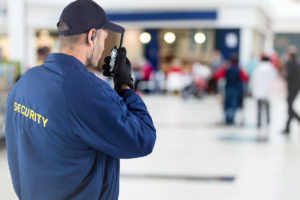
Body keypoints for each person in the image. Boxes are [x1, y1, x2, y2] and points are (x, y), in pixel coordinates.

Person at [5, 0, 156, 199]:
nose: (103, 47)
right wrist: (125, 87)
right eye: (103, 38)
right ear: (92, 36)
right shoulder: (87, 90)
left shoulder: (25, 82)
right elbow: (143, 139)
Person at [214, 54, 248, 124]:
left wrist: (223, 67)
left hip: (228, 88)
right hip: (236, 90)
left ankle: (227, 118)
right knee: (234, 105)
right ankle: (231, 119)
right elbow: (246, 78)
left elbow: (217, 76)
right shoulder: (239, 70)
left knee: (227, 104)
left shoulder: (227, 69)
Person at [251, 54, 277, 128]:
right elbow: (274, 79)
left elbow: (254, 80)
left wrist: (254, 90)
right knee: (267, 107)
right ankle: (268, 120)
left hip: (259, 90)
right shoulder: (271, 68)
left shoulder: (258, 68)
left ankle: (259, 122)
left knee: (259, 108)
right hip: (268, 91)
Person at [282, 46, 300, 134]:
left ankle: (290, 125)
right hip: (295, 88)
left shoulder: (291, 64)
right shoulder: (296, 64)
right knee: (290, 107)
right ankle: (287, 127)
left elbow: (287, 77)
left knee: (290, 108)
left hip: (293, 89)